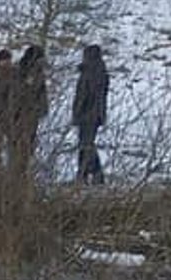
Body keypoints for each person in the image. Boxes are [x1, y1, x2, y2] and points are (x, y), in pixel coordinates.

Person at [72, 44, 109, 185]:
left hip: (89, 114)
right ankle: (83, 173)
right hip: (92, 113)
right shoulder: (96, 71)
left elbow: (85, 95)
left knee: (86, 144)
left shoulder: (93, 72)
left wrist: (78, 112)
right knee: (85, 144)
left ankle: (93, 173)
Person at [12, 44, 49, 177]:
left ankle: (20, 170)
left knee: (23, 143)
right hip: (25, 113)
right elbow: (33, 92)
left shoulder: (27, 70)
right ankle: (19, 171)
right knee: (23, 143)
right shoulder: (28, 72)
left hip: (27, 112)